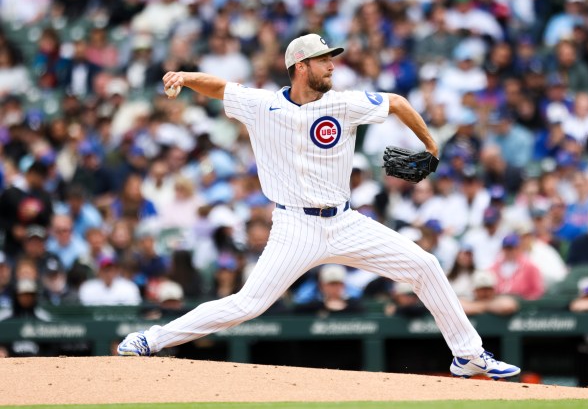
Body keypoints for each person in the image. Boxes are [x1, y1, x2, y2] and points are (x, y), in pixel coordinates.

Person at [117, 33, 520, 379]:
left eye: (332, 59)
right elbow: (220, 87)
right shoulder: (262, 105)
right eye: (324, 60)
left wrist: (431, 145)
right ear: (300, 66)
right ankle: (150, 339)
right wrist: (185, 78)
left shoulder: (343, 104)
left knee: (425, 266)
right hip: (294, 227)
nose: (332, 66)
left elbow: (396, 102)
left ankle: (467, 355)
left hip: (345, 222)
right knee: (247, 304)